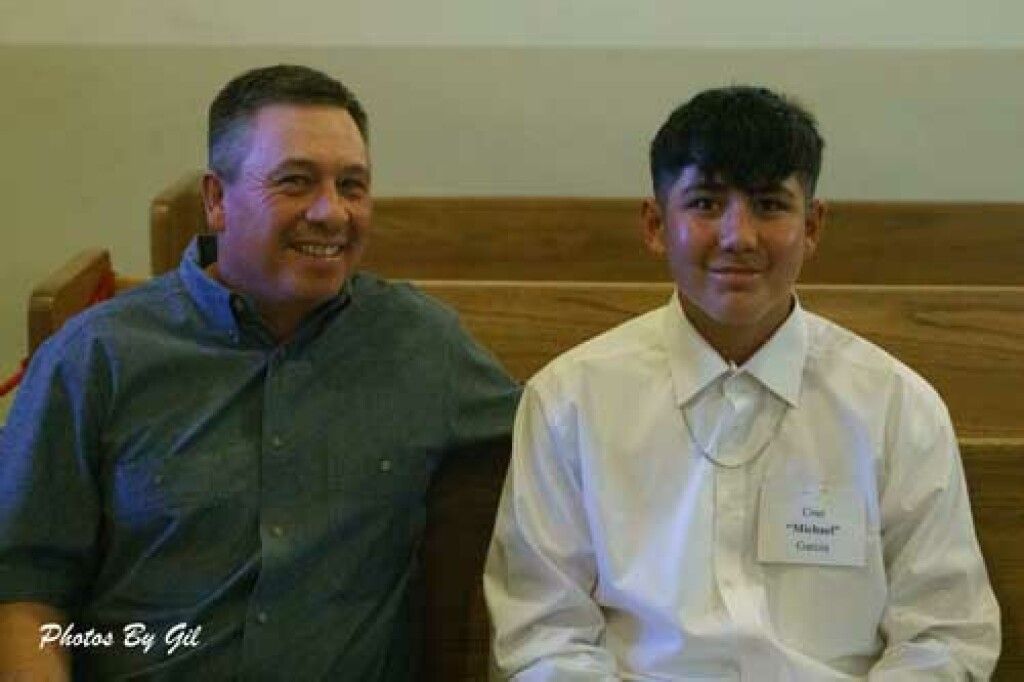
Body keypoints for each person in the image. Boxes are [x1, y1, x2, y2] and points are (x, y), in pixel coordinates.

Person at [0, 64, 520, 680]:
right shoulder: (98, 355)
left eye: (353, 186)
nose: (332, 214)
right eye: (296, 182)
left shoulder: (421, 345)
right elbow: (26, 590)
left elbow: (567, 441)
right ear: (217, 200)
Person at [484, 86, 1000, 680]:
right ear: (656, 224)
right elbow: (543, 637)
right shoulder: (570, 400)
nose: (739, 236)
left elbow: (947, 634)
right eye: (705, 204)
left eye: (769, 205)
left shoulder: (896, 408)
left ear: (812, 226)